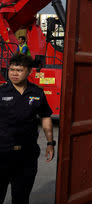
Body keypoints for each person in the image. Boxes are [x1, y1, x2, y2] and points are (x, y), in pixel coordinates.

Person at [0, 53, 55, 204]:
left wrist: (50, 143)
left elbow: (45, 116)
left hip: (27, 156)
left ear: (29, 71)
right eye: (11, 69)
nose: (14, 73)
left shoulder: (37, 93)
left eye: (19, 70)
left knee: (21, 198)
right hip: (2, 154)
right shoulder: (1, 92)